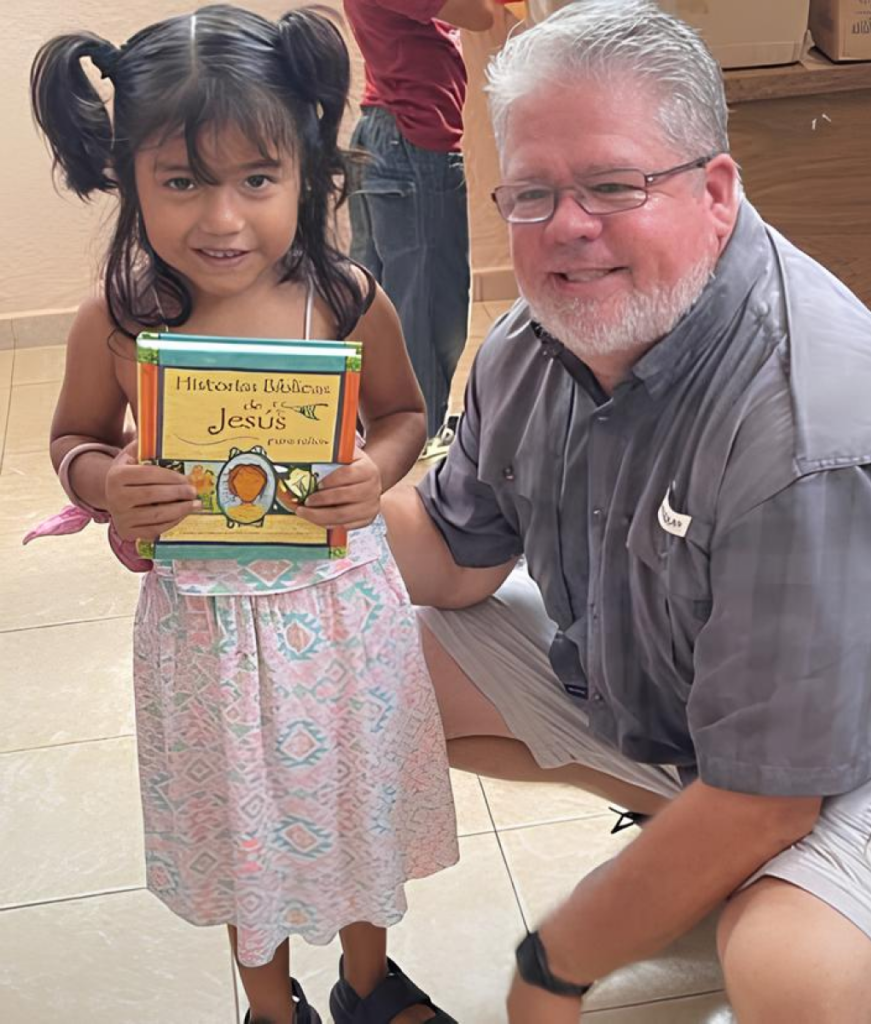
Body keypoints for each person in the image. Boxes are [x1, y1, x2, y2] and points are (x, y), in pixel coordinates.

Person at [381, 1, 871, 1021]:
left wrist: (552, 966)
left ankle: (866, 940)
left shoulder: (812, 430)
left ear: (715, 192)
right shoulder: (528, 345)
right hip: (692, 683)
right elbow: (452, 560)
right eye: (531, 192)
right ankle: (709, 856)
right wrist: (293, 503)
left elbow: (777, 787)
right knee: (367, 658)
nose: (566, 228)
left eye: (612, 186)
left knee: (792, 970)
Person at [29, 7, 459, 1024]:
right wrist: (104, 483)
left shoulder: (346, 298)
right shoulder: (119, 317)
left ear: (305, 171)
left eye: (255, 180)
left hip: (342, 625)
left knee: (354, 812)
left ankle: (366, 980)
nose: (222, 220)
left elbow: (405, 412)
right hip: (208, 643)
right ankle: (272, 1006)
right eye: (181, 181)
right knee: (241, 833)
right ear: (128, 174)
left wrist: (376, 469)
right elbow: (72, 440)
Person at [341, 0, 503, 458]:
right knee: (431, 296)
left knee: (375, 296)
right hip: (411, 139)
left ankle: (363, 424)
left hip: (388, 132)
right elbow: (480, 15)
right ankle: (422, 429)